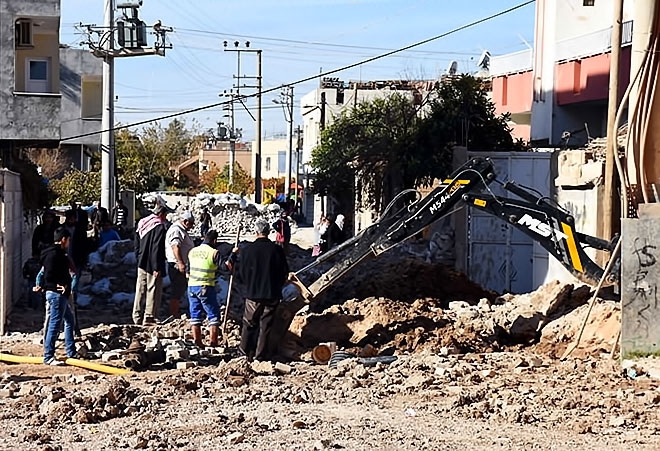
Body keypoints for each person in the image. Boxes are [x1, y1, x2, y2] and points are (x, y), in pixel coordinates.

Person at [236, 219, 289, 361]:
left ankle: (244, 353)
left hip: (253, 293)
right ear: (268, 232)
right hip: (272, 293)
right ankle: (260, 356)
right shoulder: (277, 250)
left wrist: (247, 284)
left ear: (256, 232)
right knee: (266, 325)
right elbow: (284, 272)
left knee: (249, 323)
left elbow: (240, 272)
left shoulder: (247, 250)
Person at [187, 230, 236, 347]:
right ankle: (213, 343)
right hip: (205, 286)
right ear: (214, 241)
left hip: (192, 286)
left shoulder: (192, 251)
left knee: (195, 314)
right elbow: (225, 268)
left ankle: (197, 342)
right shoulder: (214, 252)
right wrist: (233, 254)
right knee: (213, 314)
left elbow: (188, 270)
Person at [40, 227, 77, 365]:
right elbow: (48, 275)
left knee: (69, 320)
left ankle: (71, 352)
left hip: (59, 294)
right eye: (68, 240)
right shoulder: (54, 255)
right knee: (54, 325)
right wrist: (58, 286)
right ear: (63, 240)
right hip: (56, 295)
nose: (68, 243)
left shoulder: (57, 254)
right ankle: (48, 356)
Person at [132, 203, 170, 326]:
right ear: (162, 214)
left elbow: (136, 244)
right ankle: (149, 317)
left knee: (140, 289)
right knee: (152, 289)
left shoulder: (142, 222)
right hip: (152, 264)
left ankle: (136, 316)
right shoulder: (159, 226)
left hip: (141, 262)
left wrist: (138, 259)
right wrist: (156, 267)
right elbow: (156, 248)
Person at [165, 211, 195, 317]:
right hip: (176, 264)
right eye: (191, 223)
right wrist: (181, 263)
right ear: (185, 221)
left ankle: (176, 310)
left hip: (180, 263)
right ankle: (174, 312)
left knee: (180, 288)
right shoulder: (176, 230)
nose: (192, 226)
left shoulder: (181, 230)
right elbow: (175, 247)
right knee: (177, 289)